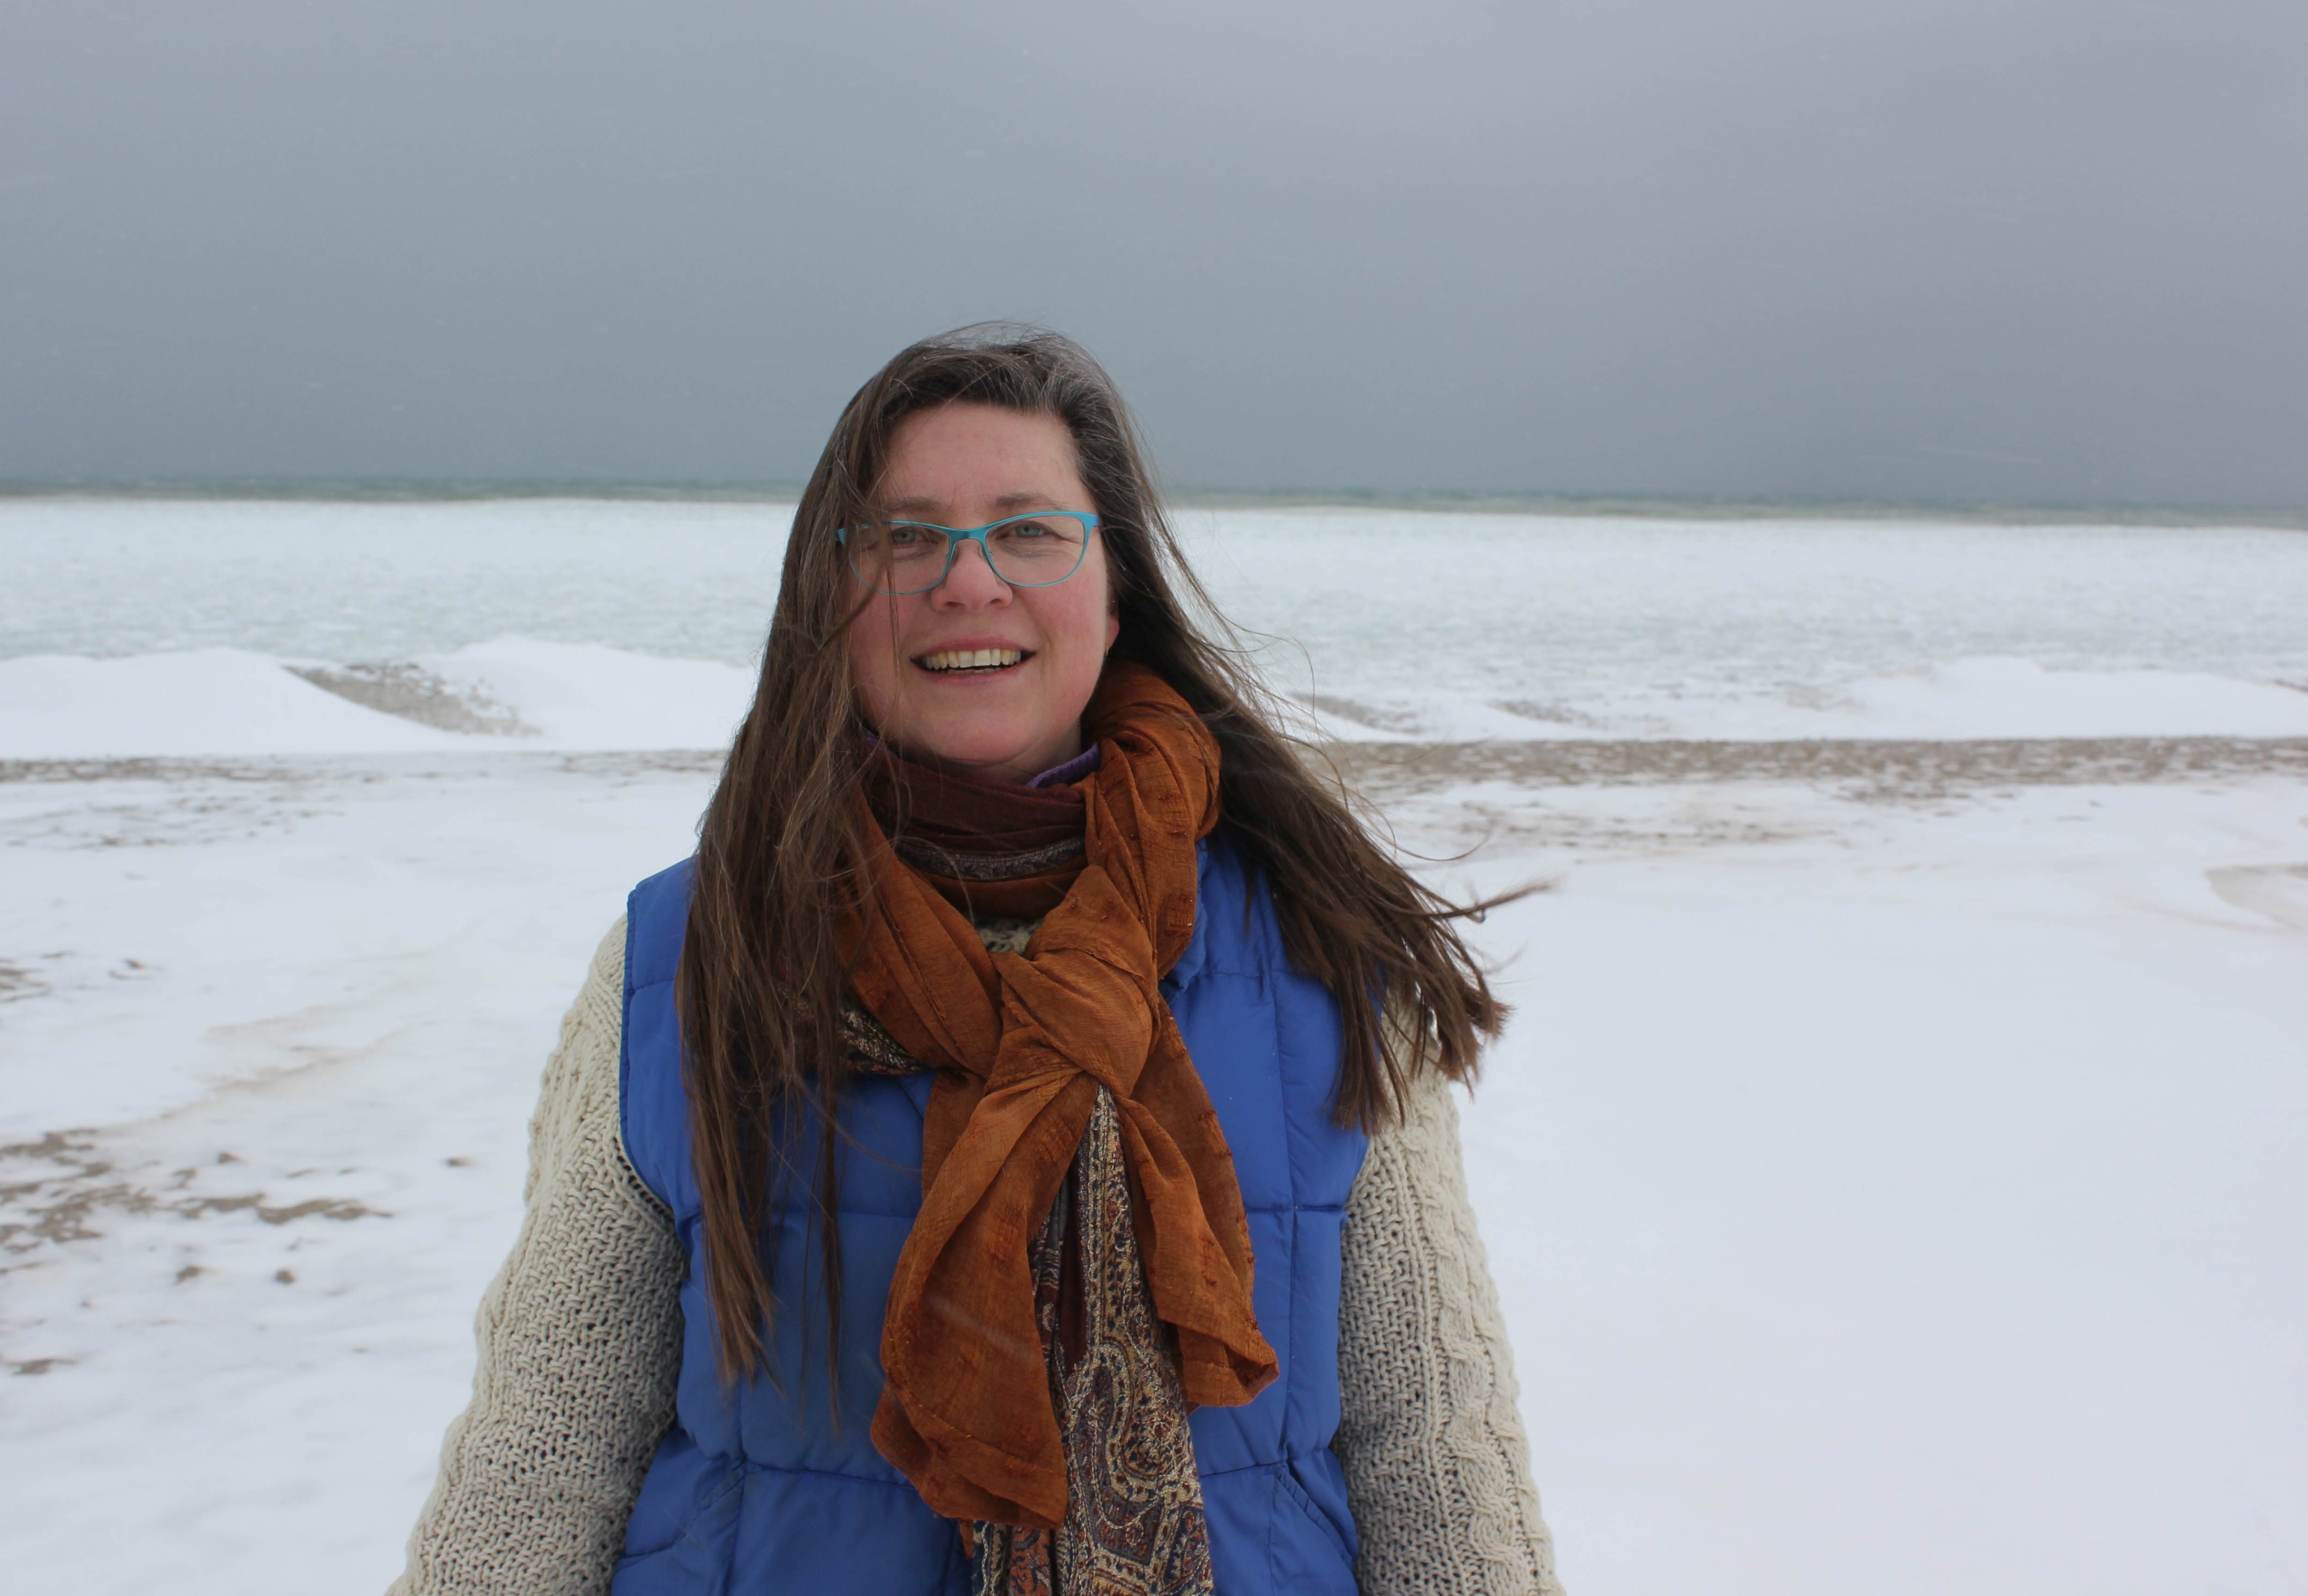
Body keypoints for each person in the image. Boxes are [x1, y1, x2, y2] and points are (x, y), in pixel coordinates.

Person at [390, 327, 1560, 1596]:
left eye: (1028, 530)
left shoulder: (1325, 956)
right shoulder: (691, 954)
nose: (966, 582)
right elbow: (541, 1463)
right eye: (904, 536)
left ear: (1116, 596)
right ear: (829, 601)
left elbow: (1440, 1468)